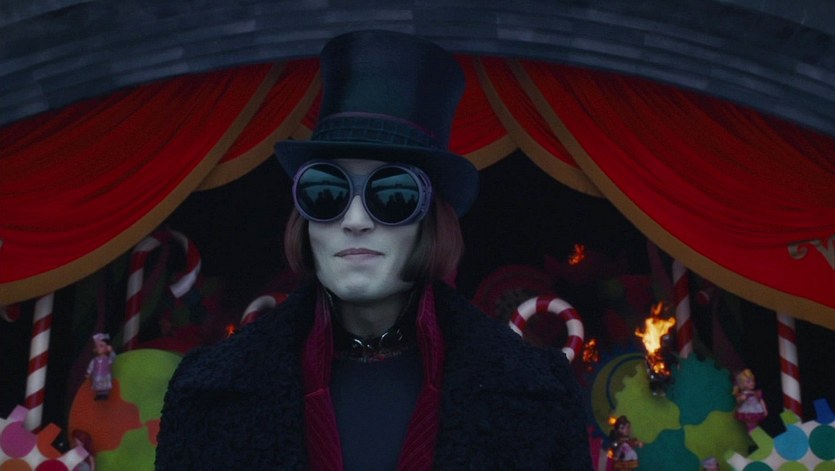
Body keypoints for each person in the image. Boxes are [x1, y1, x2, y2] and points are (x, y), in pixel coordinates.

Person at [156, 30, 591, 470]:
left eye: (393, 195)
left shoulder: (538, 398)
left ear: (432, 220)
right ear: (304, 220)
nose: (355, 219)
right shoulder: (207, 394)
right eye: (326, 192)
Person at [85, 333, 115, 400]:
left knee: (104, 385)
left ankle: (104, 394)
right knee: (97, 385)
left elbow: (113, 358)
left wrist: (111, 351)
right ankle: (99, 394)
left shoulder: (108, 359)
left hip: (105, 376)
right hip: (96, 376)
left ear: (107, 347)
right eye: (97, 346)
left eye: (101, 346)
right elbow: (91, 367)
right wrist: (88, 373)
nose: (99, 348)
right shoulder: (94, 360)